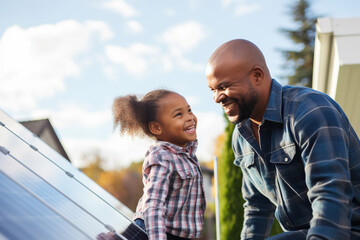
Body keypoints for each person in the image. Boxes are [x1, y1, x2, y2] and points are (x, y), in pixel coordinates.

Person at [205, 39, 360, 240]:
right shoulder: (241, 136)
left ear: (257, 75)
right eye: (213, 89)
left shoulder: (310, 111)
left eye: (224, 86)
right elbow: (256, 208)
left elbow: (331, 191)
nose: (217, 98)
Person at [112, 89, 206, 240]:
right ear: (156, 128)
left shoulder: (187, 154)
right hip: (151, 232)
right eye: (178, 114)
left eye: (189, 110)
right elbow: (153, 205)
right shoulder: (162, 157)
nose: (189, 117)